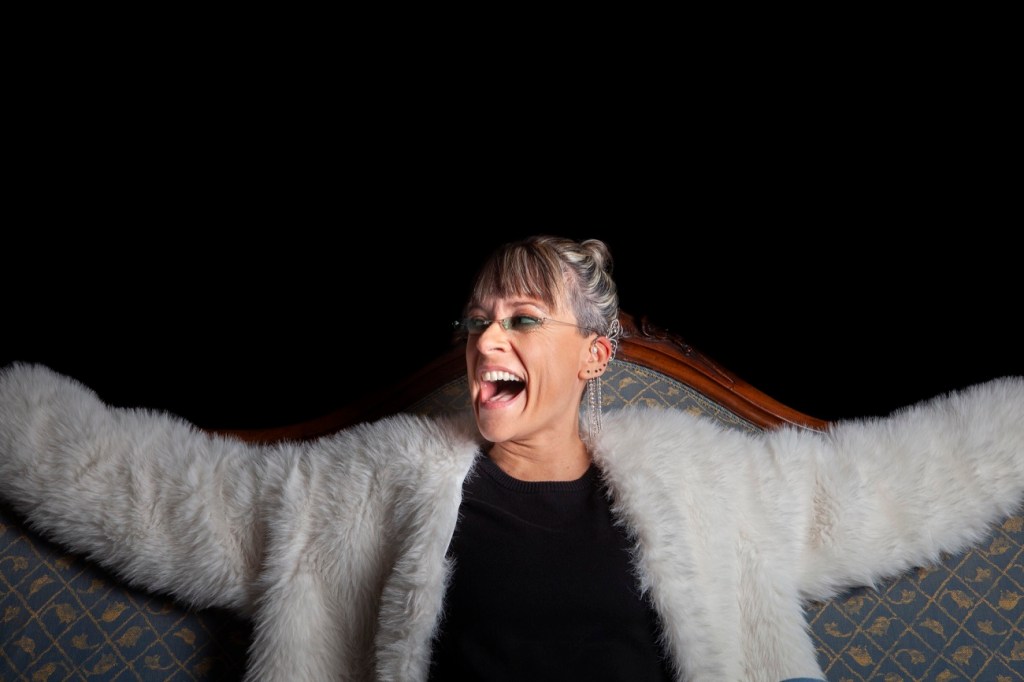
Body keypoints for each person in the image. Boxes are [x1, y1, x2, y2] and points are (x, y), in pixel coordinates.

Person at [1, 235, 1022, 682]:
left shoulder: (708, 482)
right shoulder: (358, 488)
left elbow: (889, 480)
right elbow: (150, 491)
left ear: (594, 356)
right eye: (478, 318)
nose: (486, 338)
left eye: (522, 318)